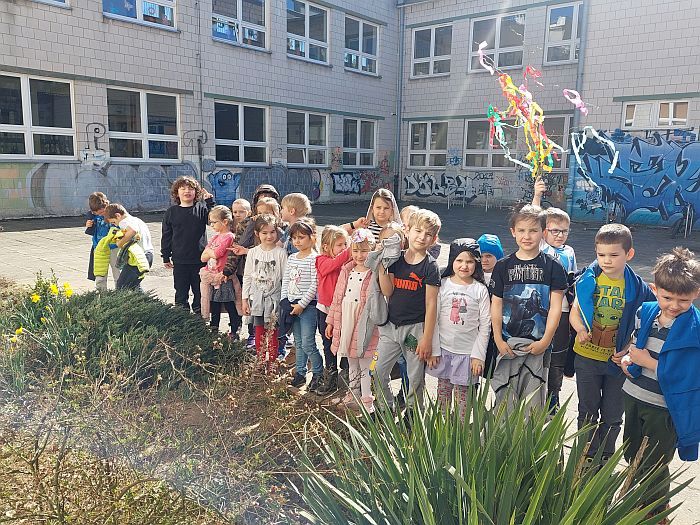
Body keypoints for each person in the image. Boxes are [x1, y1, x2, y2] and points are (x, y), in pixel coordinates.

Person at [617, 247, 700, 523]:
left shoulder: (694, 329)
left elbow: (691, 373)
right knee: (632, 452)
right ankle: (639, 499)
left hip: (663, 406)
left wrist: (650, 363)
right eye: (667, 297)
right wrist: (629, 358)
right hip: (634, 394)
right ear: (654, 289)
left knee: (656, 461)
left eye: (683, 300)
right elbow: (635, 343)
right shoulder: (646, 312)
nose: (674, 305)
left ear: (696, 294)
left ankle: (656, 510)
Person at [569, 223, 655, 464]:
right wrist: (580, 329)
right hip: (586, 357)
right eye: (601, 254)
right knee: (587, 411)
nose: (606, 260)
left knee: (613, 415)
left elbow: (645, 324)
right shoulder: (588, 280)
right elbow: (575, 311)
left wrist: (628, 349)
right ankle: (585, 457)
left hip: (617, 363)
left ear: (629, 254)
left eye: (614, 255)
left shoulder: (638, 288)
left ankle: (605, 456)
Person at [490, 204, 567, 413]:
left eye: (533, 230)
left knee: (533, 404)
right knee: (504, 401)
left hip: (538, 346)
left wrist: (546, 340)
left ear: (543, 232)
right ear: (513, 232)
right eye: (521, 230)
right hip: (507, 345)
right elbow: (496, 303)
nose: (527, 236)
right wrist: (498, 339)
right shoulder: (502, 266)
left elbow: (556, 307)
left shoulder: (553, 266)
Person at [374, 209, 441, 415]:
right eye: (418, 231)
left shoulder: (430, 266)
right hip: (391, 328)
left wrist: (427, 339)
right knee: (378, 370)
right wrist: (382, 267)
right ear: (407, 230)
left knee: (415, 376)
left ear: (434, 239)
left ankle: (414, 413)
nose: (422, 237)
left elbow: (431, 304)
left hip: (414, 331)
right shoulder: (397, 259)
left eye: (428, 234)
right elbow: (388, 291)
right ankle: (384, 408)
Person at [427, 239, 491, 417]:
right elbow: (433, 319)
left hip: (468, 356)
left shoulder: (480, 290)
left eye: (469, 261)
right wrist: (434, 350)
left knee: (464, 402)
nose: (464, 265)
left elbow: (485, 325)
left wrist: (478, 356)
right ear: (451, 261)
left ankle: (461, 431)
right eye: (459, 260)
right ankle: (441, 430)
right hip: (444, 351)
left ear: (476, 263)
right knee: (443, 397)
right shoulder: (442, 284)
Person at [533, 179, 578, 410]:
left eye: (564, 231)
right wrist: (537, 196)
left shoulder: (569, 251)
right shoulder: (542, 247)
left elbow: (573, 280)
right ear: (544, 232)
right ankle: (534, 392)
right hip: (541, 309)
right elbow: (534, 218)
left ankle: (554, 395)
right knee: (539, 350)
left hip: (563, 311)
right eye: (554, 231)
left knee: (558, 355)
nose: (559, 235)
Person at [326, 229, 380, 413]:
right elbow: (337, 298)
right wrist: (331, 321)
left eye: (364, 251)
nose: (359, 255)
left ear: (372, 250)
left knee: (365, 362)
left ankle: (367, 401)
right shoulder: (347, 270)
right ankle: (353, 394)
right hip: (346, 318)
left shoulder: (374, 272)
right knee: (351, 360)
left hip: (363, 321)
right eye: (355, 251)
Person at [161, 176, 215, 314]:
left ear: (196, 193)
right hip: (180, 260)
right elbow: (166, 236)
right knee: (181, 292)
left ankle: (199, 317)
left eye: (191, 189)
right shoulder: (171, 212)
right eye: (183, 188)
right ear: (177, 192)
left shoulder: (201, 209)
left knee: (200, 291)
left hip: (200, 259)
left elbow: (214, 220)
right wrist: (165, 256)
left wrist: (209, 202)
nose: (187, 191)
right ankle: (182, 317)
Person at [242, 214, 287, 373]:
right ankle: (260, 362)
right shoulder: (253, 253)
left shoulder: (281, 253)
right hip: (257, 299)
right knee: (259, 331)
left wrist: (284, 301)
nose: (269, 236)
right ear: (257, 234)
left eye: (272, 232)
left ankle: (272, 363)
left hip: (274, 299)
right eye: (264, 233)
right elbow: (247, 276)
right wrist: (245, 299)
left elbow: (285, 278)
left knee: (273, 332)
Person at [283, 218, 323, 391]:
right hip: (292, 305)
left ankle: (318, 372)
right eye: (294, 238)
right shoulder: (292, 258)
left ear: (312, 238)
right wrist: (285, 300)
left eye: (301, 237)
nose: (297, 241)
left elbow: (315, 284)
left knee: (308, 342)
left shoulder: (315, 258)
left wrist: (302, 304)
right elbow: (286, 280)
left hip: (308, 307)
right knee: (298, 342)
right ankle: (300, 373)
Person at [315, 225, 351, 395]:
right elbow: (332, 265)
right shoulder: (321, 260)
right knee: (328, 344)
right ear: (326, 246)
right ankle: (330, 377)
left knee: (345, 341)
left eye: (345, 244)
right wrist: (351, 250)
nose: (343, 248)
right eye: (339, 245)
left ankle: (348, 375)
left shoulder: (348, 264)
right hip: (325, 309)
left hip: (343, 309)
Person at [104, 203, 154, 290]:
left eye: (114, 222)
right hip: (148, 255)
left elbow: (133, 230)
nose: (115, 225)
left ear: (118, 215)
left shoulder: (124, 222)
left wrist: (119, 243)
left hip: (138, 258)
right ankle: (143, 298)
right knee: (133, 286)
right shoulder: (137, 220)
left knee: (122, 286)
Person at [199, 206, 235, 321]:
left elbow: (217, 254)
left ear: (225, 222)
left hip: (222, 276)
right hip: (212, 275)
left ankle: (235, 326)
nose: (212, 225)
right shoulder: (215, 237)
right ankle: (214, 327)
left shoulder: (229, 236)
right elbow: (203, 258)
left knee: (228, 303)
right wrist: (210, 252)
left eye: (214, 222)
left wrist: (209, 252)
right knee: (214, 303)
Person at [477, 233, 504, 377]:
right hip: (476, 327)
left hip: (495, 329)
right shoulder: (472, 275)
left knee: (493, 370)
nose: (484, 260)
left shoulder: (502, 276)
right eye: (480, 256)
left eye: (489, 256)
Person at [85, 192, 120, 291]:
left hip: (113, 247)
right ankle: (102, 294)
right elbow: (91, 229)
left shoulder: (114, 213)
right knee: (100, 275)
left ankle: (121, 293)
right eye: (97, 213)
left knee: (118, 272)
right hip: (99, 248)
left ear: (106, 205)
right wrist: (89, 225)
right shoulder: (93, 215)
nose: (100, 214)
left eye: (102, 212)